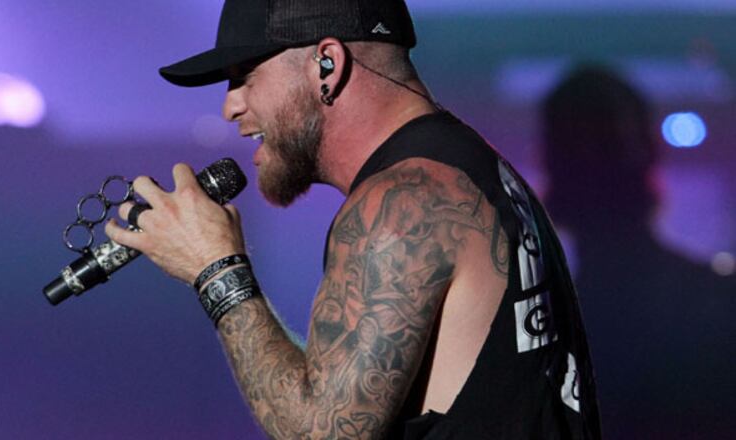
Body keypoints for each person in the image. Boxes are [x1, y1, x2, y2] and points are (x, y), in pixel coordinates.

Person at [105, 1, 601, 438]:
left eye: (245, 76)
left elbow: (320, 432)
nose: (230, 105)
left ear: (327, 63)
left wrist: (216, 270)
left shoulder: (406, 201)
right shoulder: (467, 167)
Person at [542, 66, 736, 439]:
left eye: (603, 145)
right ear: (647, 154)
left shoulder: (539, 332)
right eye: (578, 147)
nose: (591, 163)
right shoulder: (719, 303)